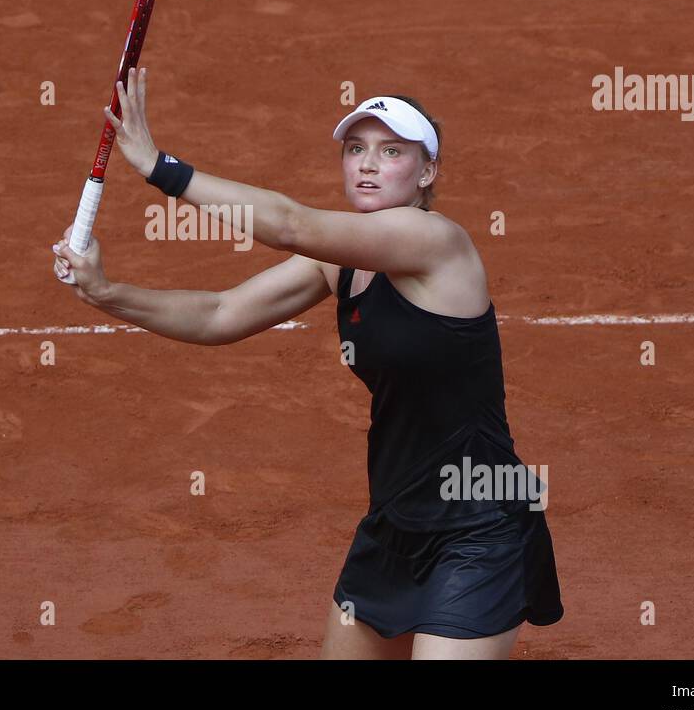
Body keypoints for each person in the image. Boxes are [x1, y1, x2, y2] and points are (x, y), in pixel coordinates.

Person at [52, 67, 563, 659]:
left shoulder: (436, 242)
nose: (367, 164)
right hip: (395, 523)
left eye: (391, 150)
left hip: (479, 526)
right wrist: (109, 294)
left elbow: (292, 224)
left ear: (426, 173)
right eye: (356, 149)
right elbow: (221, 314)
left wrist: (160, 168)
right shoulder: (340, 263)